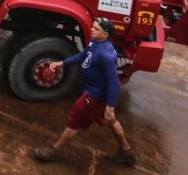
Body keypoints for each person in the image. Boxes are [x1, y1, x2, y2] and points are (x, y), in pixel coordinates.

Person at [34, 18, 137, 165]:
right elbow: (84, 56)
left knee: (74, 120)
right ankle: (127, 152)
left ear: (106, 34)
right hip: (93, 92)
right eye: (93, 27)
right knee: (112, 121)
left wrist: (110, 106)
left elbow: (114, 83)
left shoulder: (107, 55)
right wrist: (62, 63)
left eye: (96, 29)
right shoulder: (96, 42)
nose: (91, 30)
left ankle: (53, 151)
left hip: (94, 97)